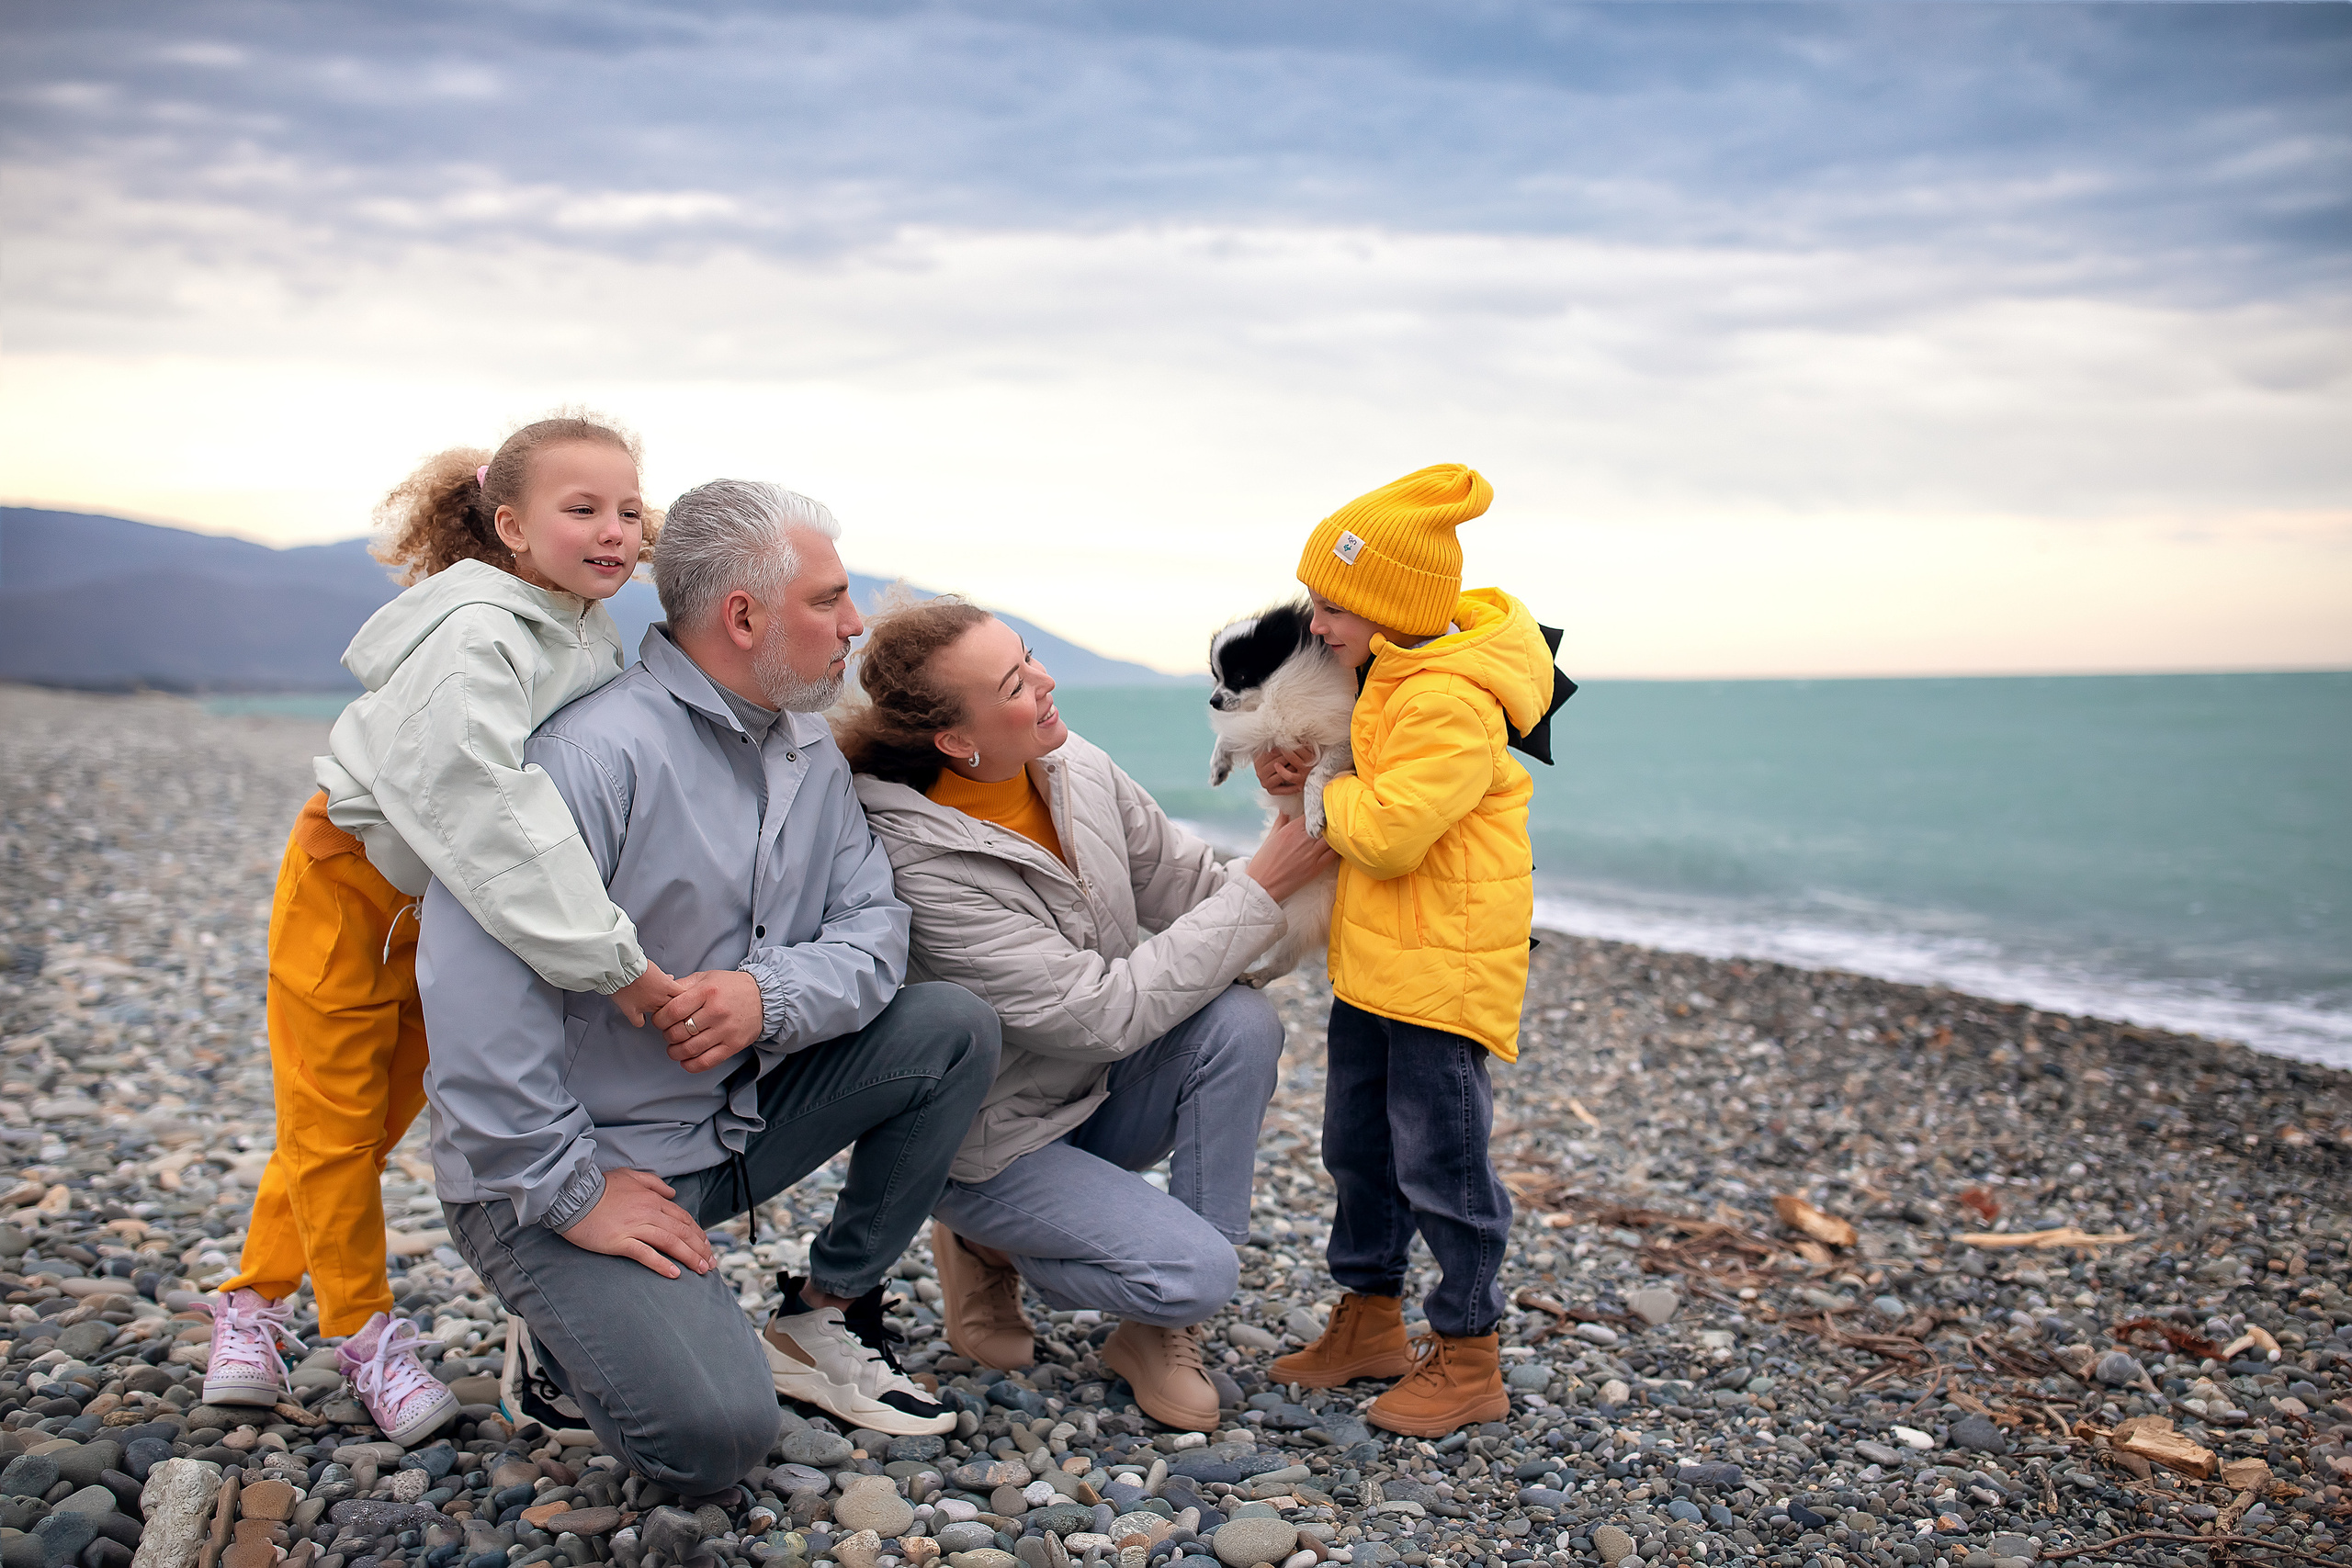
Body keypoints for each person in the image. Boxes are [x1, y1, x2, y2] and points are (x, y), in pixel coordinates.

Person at [421, 479, 1000, 1487]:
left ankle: (822, 1318)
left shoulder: (806, 746)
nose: (855, 625)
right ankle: (555, 1325)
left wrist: (762, 997)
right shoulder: (588, 756)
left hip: (727, 1123)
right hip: (573, 1167)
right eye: (828, 600)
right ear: (743, 616)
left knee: (949, 1025)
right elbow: (475, 1005)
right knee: (714, 1444)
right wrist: (572, 1195)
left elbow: (878, 934)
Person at [209, 413, 681, 1446]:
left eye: (628, 510)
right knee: (333, 1122)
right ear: (509, 525)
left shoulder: (574, 628)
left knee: (371, 1124)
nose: (613, 530)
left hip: (447, 911)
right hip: (348, 890)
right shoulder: (478, 633)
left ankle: (250, 1303)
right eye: (582, 508)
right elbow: (483, 799)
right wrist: (614, 962)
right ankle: (362, 1337)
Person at [837, 596, 1336, 1432]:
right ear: (958, 742)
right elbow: (1100, 1015)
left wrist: (1293, 801)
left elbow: (1201, 898)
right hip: (995, 1140)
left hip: (1096, 1093)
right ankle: (990, 1243)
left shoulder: (1074, 765)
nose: (1046, 679)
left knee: (1244, 1025)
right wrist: (1264, 887)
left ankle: (1162, 1324)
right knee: (1203, 1269)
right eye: (1014, 682)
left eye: (1029, 655)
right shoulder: (915, 860)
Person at [1254, 463, 1556, 1437]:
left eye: (1332, 606)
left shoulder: (1449, 700)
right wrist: (1303, 762)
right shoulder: (1392, 674)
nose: (1314, 625)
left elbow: (1386, 833)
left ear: (1390, 609)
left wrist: (1317, 798)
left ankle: (1468, 1356)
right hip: (1382, 958)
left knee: (1445, 1166)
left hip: (1443, 967)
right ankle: (1370, 1319)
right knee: (1359, 1148)